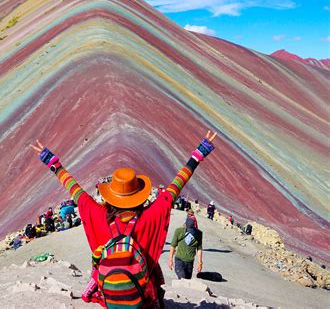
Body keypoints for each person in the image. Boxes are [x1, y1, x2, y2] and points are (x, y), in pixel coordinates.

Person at [30, 130, 217, 307]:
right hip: (142, 296)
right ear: (139, 195)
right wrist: (197, 155)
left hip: (111, 294)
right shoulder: (151, 216)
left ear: (111, 196)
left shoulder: (97, 214)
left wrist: (53, 163)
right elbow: (174, 188)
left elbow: (75, 190)